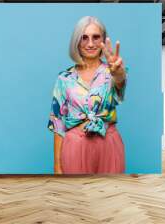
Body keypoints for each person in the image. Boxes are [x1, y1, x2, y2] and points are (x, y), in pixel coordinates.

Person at [47, 16, 128, 174]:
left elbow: (120, 83)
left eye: (96, 37)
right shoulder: (64, 78)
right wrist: (57, 166)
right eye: (84, 38)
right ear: (76, 42)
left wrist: (119, 74)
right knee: (76, 197)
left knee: (110, 195)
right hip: (74, 146)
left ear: (103, 40)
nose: (90, 44)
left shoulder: (113, 71)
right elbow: (58, 124)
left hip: (109, 144)